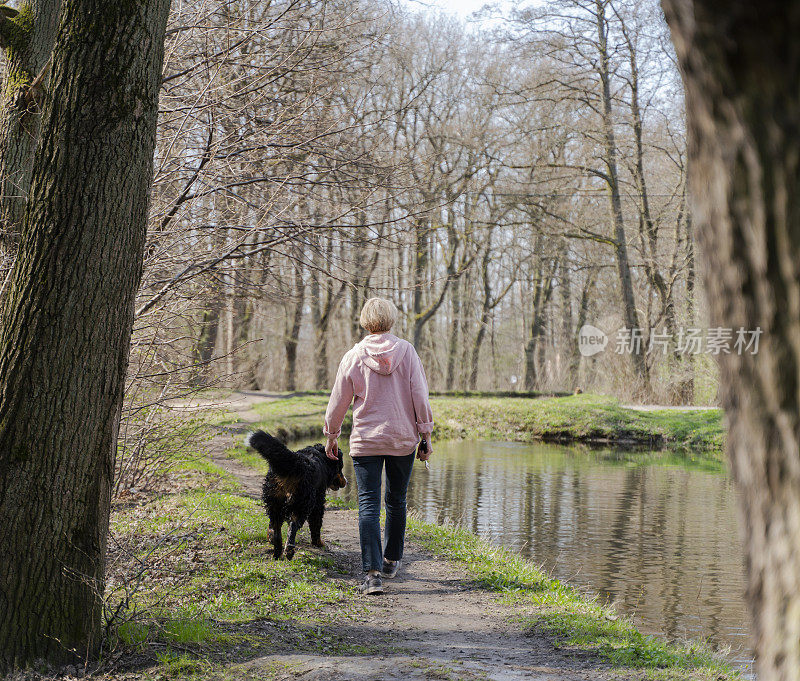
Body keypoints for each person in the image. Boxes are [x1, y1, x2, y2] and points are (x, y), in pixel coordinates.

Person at [323, 297, 433, 595]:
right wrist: (425, 433)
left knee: (368, 504)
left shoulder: (354, 355)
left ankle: (372, 575)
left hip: (366, 440)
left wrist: (332, 434)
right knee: (396, 501)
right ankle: (392, 560)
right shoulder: (407, 352)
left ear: (364, 320)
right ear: (391, 320)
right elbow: (420, 396)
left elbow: (338, 400)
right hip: (401, 438)